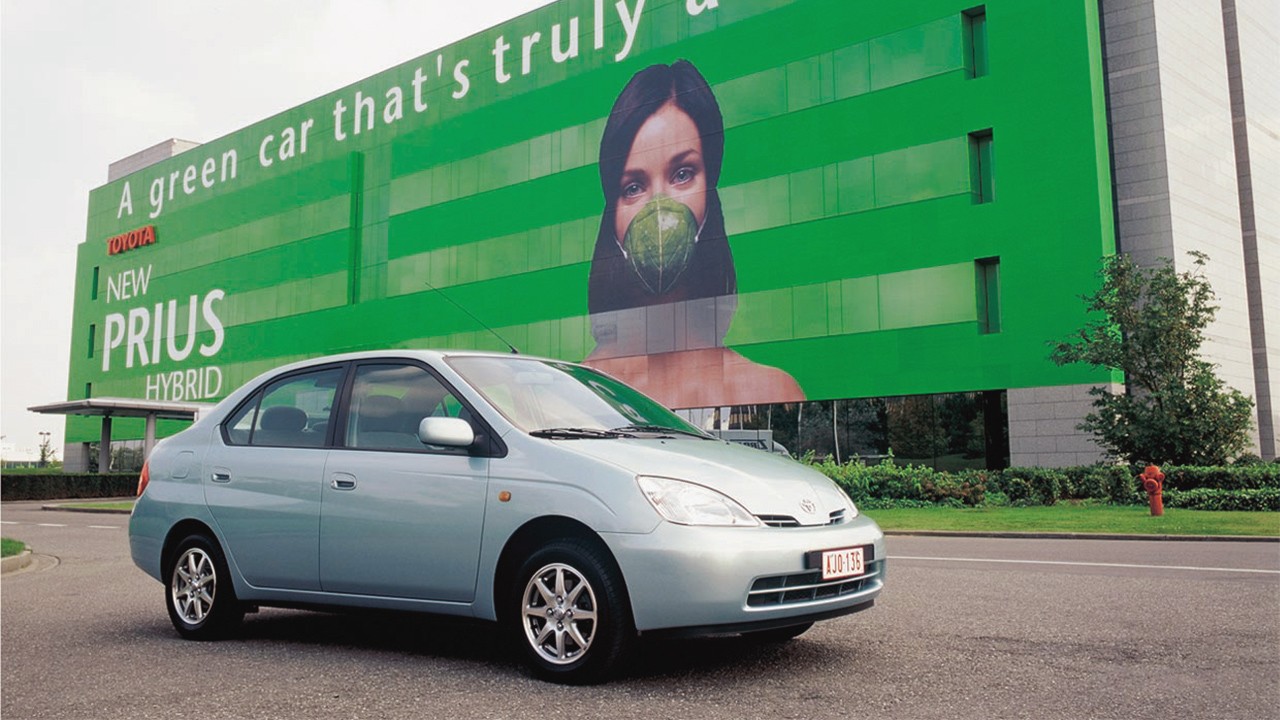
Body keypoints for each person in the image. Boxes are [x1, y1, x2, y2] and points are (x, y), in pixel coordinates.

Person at [585, 60, 803, 409]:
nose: (658, 209)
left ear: (709, 190)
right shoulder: (577, 393)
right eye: (634, 187)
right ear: (613, 212)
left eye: (683, 174)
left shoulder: (769, 391)